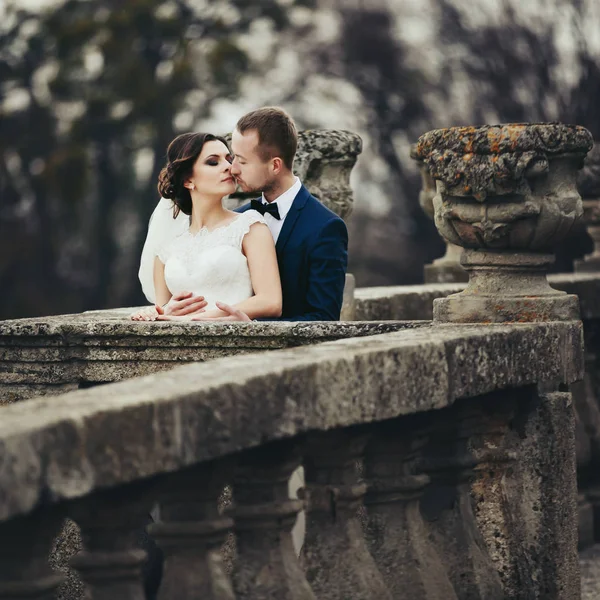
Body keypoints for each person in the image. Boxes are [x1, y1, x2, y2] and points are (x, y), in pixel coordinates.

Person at [153, 106, 348, 322]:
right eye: (232, 158)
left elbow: (324, 318)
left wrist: (250, 328)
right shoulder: (241, 220)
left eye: (241, 160)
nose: (233, 169)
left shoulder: (325, 227)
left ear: (275, 165)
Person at [131, 132, 282, 321]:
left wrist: (200, 318)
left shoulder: (250, 226)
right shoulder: (166, 247)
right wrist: (159, 312)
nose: (229, 167)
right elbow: (163, 310)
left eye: (229, 159)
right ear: (188, 180)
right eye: (213, 162)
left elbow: (270, 301)